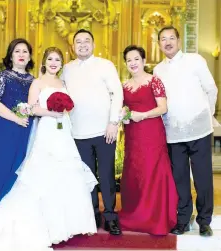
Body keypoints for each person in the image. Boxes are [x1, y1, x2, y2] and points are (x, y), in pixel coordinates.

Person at [0, 46, 97, 251]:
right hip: (18, 128)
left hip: (59, 132)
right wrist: (49, 113)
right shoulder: (16, 78)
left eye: (57, 60)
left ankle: (61, 223)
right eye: (50, 59)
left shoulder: (55, 82)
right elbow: (4, 103)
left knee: (61, 174)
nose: (53, 63)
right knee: (10, 172)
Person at [154, 26, 218, 237]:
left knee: (202, 178)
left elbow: (211, 89)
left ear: (179, 41)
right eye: (163, 39)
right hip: (173, 132)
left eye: (171, 38)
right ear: (159, 44)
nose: (168, 42)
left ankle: (204, 220)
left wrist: (206, 115)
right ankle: (183, 219)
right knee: (179, 178)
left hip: (199, 129)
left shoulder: (195, 60)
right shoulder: (158, 70)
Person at [61, 29, 123, 235]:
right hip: (78, 133)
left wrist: (113, 122)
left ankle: (110, 216)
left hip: (104, 130)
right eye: (78, 42)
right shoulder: (67, 69)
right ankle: (92, 215)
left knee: (106, 176)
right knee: (86, 177)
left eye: (87, 41)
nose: (82, 45)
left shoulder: (105, 65)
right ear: (72, 46)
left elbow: (117, 93)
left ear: (94, 44)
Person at [119, 45, 178, 235]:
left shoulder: (154, 81)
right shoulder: (124, 86)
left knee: (152, 170)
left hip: (152, 132)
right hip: (132, 134)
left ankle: (155, 216)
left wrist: (141, 115)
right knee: (135, 170)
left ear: (143, 61)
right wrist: (124, 115)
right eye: (129, 60)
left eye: (136, 59)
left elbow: (163, 108)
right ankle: (135, 212)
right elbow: (121, 110)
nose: (133, 63)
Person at [0, 38, 35, 218]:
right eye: (17, 51)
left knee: (22, 169)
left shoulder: (34, 81)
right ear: (11, 55)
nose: (21, 54)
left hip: (27, 129)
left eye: (24, 51)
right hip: (6, 128)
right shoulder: (2, 76)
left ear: (29, 57)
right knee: (2, 167)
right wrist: (16, 118)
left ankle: (16, 216)